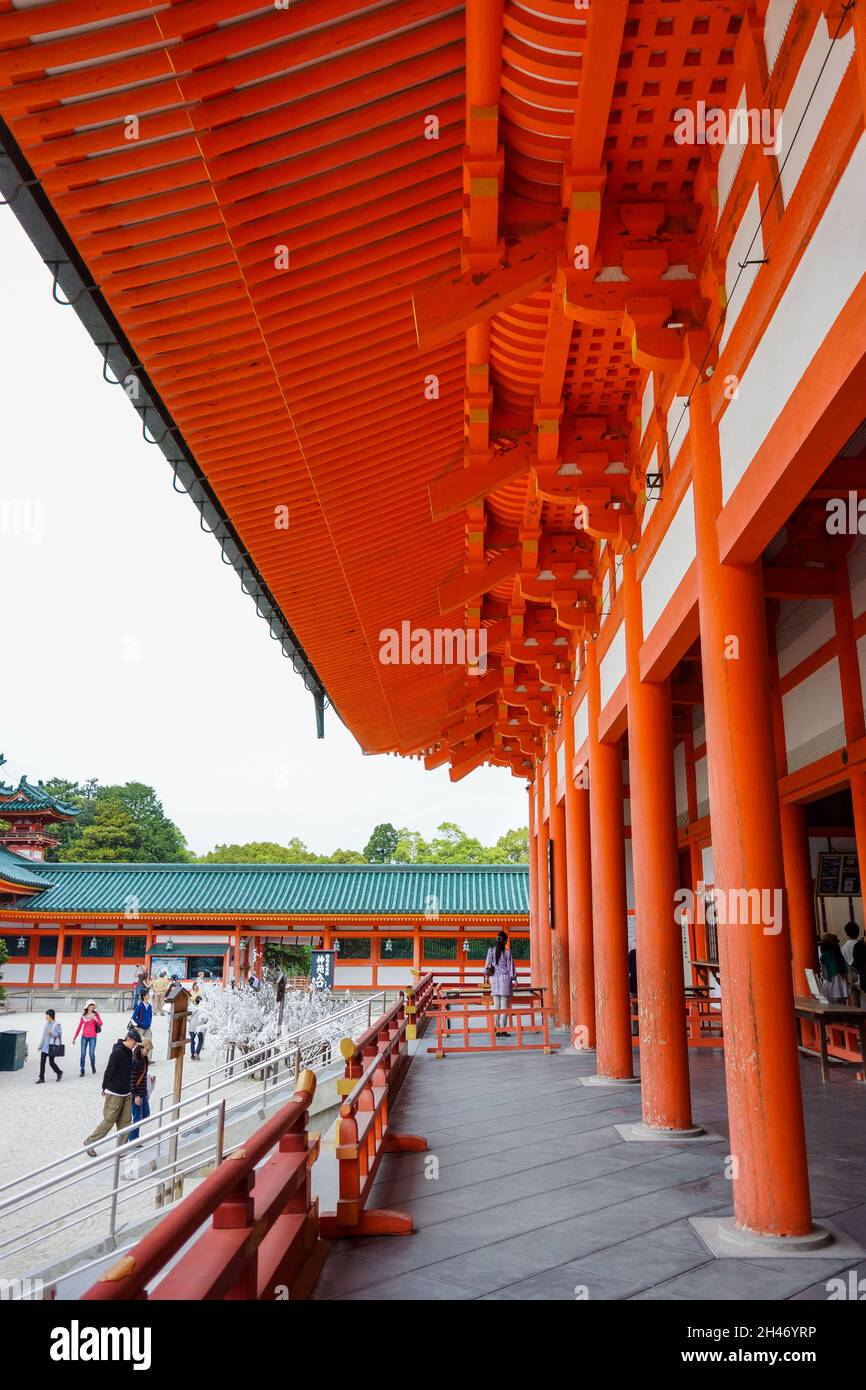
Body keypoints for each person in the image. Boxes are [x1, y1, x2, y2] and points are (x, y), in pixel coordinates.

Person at [84, 1028, 141, 1155]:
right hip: (114, 1092)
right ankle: (90, 1142)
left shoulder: (129, 1053)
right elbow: (109, 1070)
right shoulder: (117, 1052)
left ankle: (121, 1149)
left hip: (126, 1092)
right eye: (135, 1042)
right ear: (129, 1039)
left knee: (126, 1122)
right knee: (109, 1120)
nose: (135, 1045)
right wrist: (104, 1087)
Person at [484, 930, 518, 1038]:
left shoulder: (491, 951)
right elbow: (510, 968)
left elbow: (487, 966)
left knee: (496, 1006)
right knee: (504, 1007)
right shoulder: (508, 952)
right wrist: (514, 979)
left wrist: (486, 977)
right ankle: (503, 1029)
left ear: (497, 939)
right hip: (505, 980)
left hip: (495, 980)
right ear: (505, 941)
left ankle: (496, 1029)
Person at [127, 1039, 153, 1143]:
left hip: (143, 1092)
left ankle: (134, 1137)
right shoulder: (135, 1061)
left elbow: (142, 1075)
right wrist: (136, 1095)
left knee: (145, 1114)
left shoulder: (144, 1060)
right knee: (137, 1117)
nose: (147, 1052)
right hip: (137, 1093)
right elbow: (132, 1079)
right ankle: (133, 1139)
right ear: (141, 1048)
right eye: (146, 1049)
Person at [72, 1000, 103, 1077]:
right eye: (90, 1005)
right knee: (83, 1054)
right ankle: (82, 1070)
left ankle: (93, 1066)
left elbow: (101, 1023)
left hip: (93, 1037)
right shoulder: (83, 1016)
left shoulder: (96, 1014)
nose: (92, 1007)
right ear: (87, 1007)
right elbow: (79, 1027)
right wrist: (75, 1038)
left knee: (91, 1054)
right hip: (84, 1037)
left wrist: (95, 1018)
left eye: (93, 1006)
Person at [819, 932, 850, 1003]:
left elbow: (824, 975)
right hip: (843, 990)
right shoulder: (839, 955)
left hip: (831, 990)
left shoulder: (825, 957)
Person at [36, 1009, 63, 1083]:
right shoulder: (46, 1024)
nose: (46, 1017)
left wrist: (53, 1034)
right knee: (42, 1062)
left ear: (51, 1016)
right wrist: (40, 1045)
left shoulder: (57, 1024)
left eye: (47, 1015)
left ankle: (59, 1072)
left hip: (51, 1047)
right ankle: (41, 1078)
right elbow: (43, 1036)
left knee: (51, 1062)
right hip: (44, 1047)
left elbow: (59, 1034)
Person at [188, 995, 207, 1061]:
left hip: (191, 1027)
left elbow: (188, 1018)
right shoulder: (203, 1010)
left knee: (192, 1041)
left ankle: (192, 1055)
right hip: (199, 1027)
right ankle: (197, 1053)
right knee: (200, 1040)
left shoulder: (192, 1008)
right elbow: (204, 1019)